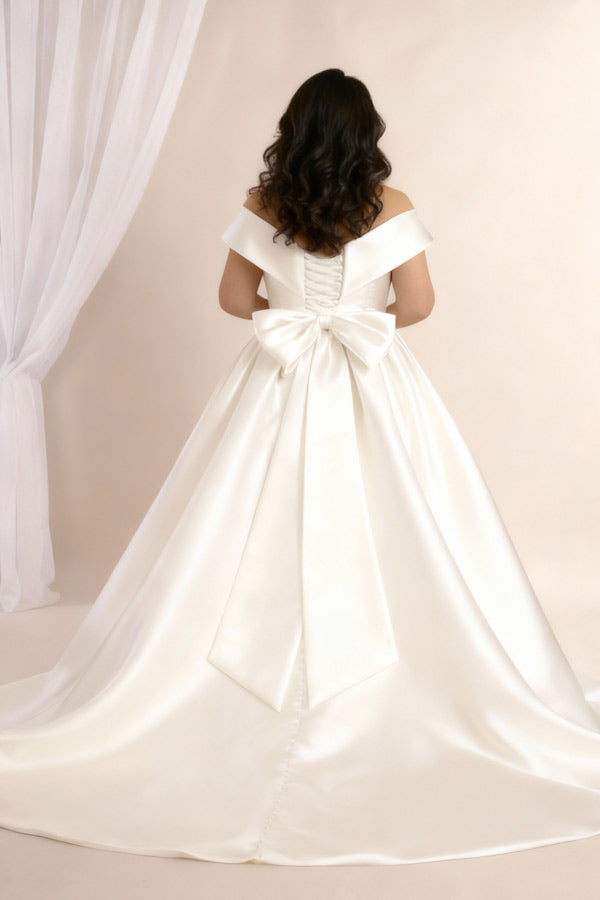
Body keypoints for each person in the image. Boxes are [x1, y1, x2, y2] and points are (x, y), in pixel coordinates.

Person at [1, 67, 600, 866]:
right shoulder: (393, 206)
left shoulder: (264, 205)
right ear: (366, 135)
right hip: (370, 381)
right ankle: (399, 685)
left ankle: (221, 687)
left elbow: (230, 297)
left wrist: (293, 317)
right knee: (406, 528)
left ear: (295, 131)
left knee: (239, 530)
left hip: (275, 382)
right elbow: (418, 304)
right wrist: (355, 318)